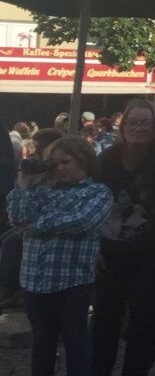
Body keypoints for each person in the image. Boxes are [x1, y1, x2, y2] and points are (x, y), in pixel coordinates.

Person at [91, 100, 155, 376]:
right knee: (105, 314)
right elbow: (92, 200)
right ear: (122, 127)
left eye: (146, 123)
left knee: (145, 315)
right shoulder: (107, 159)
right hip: (113, 246)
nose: (138, 128)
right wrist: (92, 243)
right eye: (132, 122)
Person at [6, 137, 112, 376]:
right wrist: (23, 184)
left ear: (83, 161)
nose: (59, 168)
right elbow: (17, 217)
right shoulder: (40, 190)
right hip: (34, 280)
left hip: (72, 282)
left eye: (66, 161)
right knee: (42, 342)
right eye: (54, 163)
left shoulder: (97, 192)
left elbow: (81, 221)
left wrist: (36, 226)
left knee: (76, 340)